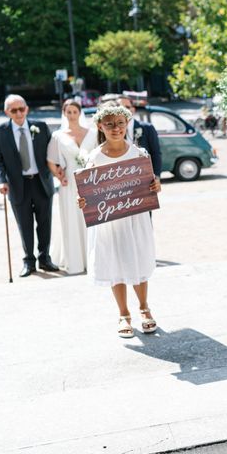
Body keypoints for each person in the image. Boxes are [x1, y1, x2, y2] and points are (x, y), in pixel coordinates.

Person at [77, 103, 161, 337]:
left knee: (137, 260)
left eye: (120, 124)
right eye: (110, 124)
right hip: (109, 221)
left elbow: (150, 184)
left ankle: (145, 308)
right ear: (101, 126)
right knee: (115, 262)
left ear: (127, 125)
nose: (116, 128)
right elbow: (87, 192)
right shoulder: (94, 158)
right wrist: (83, 201)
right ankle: (123, 314)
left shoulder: (139, 154)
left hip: (135, 219)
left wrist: (156, 184)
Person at [0, 94, 59, 277]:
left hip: (41, 182)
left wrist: (59, 171)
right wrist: (1, 181)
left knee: (45, 223)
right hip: (17, 185)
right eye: (14, 110)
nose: (19, 113)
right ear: (7, 112)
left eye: (21, 109)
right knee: (25, 224)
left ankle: (45, 258)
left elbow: (53, 154)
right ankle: (29, 261)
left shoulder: (42, 127)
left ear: (27, 109)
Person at [46, 99, 96, 274]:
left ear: (80, 113)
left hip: (91, 181)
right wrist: (59, 176)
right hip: (70, 183)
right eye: (69, 112)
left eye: (75, 112)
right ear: (64, 114)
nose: (72, 115)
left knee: (91, 219)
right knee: (73, 218)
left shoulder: (92, 133)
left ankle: (93, 259)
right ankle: (75, 260)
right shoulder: (58, 136)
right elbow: (51, 160)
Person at [117, 95, 162, 179]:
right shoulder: (113, 131)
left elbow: (156, 154)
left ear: (133, 110)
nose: (124, 110)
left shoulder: (147, 128)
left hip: (144, 175)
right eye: (120, 107)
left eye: (127, 107)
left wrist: (157, 177)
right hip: (121, 177)